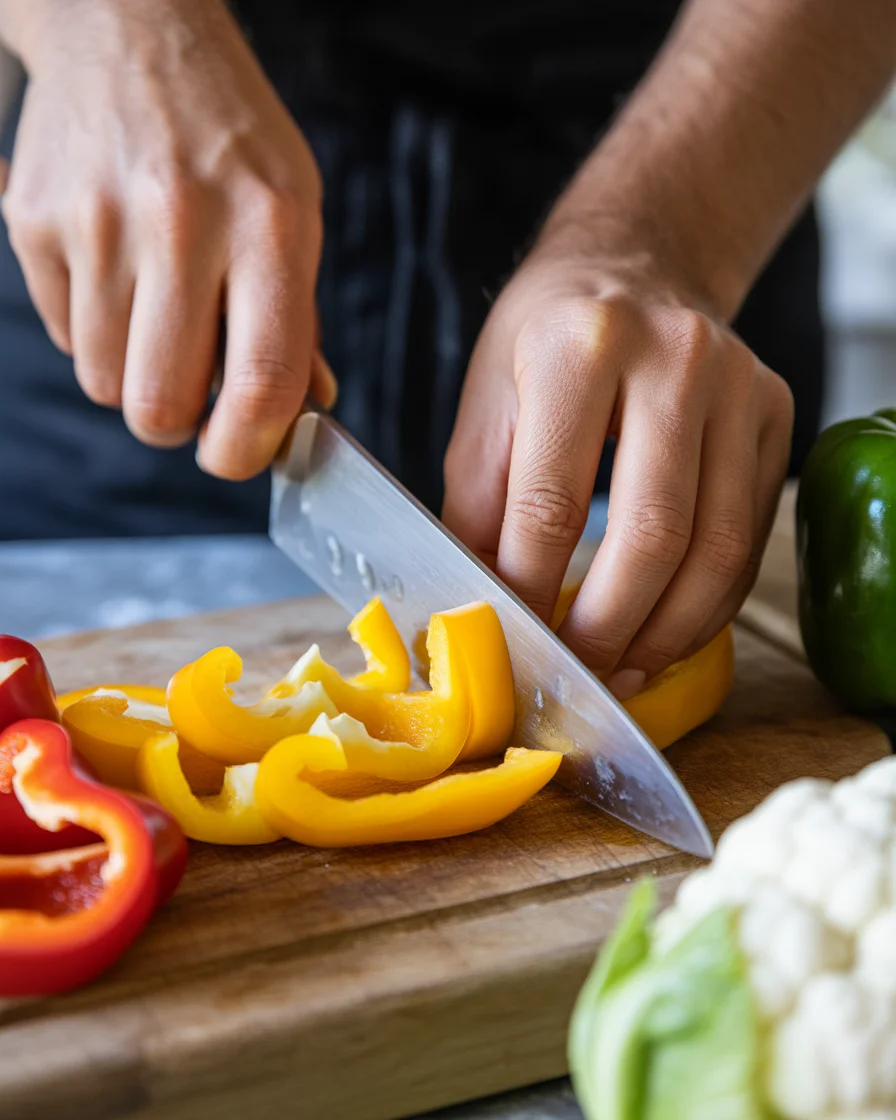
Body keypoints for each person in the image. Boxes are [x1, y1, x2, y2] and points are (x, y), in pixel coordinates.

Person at [0, 0, 892, 701]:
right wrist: (101, 25)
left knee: (655, 560)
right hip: (142, 201)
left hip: (695, 140)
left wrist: (667, 239)